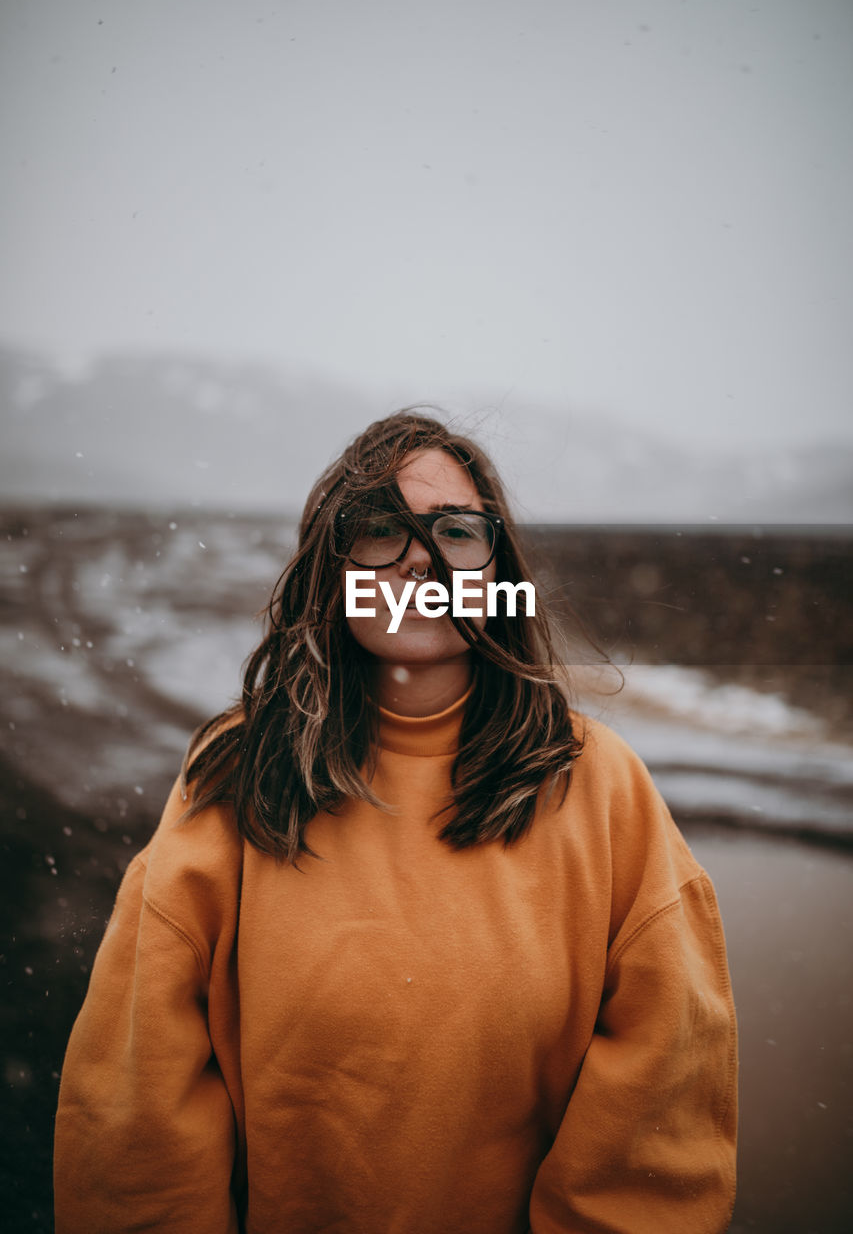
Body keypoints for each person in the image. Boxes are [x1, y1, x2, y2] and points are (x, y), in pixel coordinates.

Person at [54, 411, 738, 1233]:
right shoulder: (241, 773)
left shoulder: (596, 783)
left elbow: (660, 1109)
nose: (420, 555)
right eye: (381, 530)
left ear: (495, 571)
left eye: (454, 530)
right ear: (331, 571)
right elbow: (138, 1115)